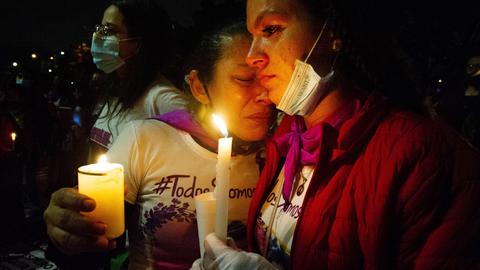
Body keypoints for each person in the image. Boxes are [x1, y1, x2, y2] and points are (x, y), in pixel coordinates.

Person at [195, 0, 480, 269]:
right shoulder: (286, 139)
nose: (252, 56)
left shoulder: (424, 156)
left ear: (332, 31)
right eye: (252, 35)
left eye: (271, 29)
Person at [44, 21, 275, 270]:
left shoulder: (284, 151)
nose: (265, 95)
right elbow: (94, 233)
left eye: (268, 78)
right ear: (198, 86)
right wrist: (71, 229)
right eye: (244, 79)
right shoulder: (146, 140)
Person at [88, 0, 188, 157]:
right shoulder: (117, 90)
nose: (98, 36)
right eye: (99, 28)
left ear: (138, 43)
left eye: (109, 30)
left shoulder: (163, 100)